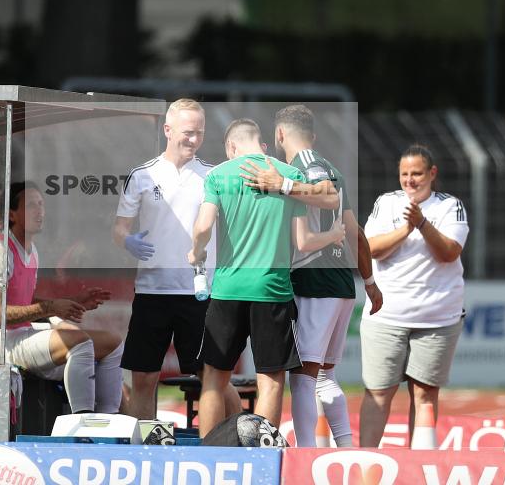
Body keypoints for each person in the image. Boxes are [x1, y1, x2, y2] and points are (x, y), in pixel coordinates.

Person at [188, 119, 346, 437]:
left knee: (214, 379)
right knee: (270, 380)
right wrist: (332, 234)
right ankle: (262, 457)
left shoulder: (219, 174)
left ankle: (206, 454)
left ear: (231, 147)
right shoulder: (288, 174)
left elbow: (203, 227)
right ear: (260, 143)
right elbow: (302, 241)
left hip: (228, 290)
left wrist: (197, 252)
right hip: (272, 290)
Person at [243, 104, 383, 447]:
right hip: (339, 283)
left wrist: (284, 185)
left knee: (304, 377)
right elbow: (355, 231)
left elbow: (327, 197)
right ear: (314, 134)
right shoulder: (330, 166)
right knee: (325, 375)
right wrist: (368, 281)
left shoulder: (305, 166)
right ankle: (345, 448)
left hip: (314, 282)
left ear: (279, 134)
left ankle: (306, 454)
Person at [113, 98, 240, 420]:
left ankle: (243, 440)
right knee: (143, 378)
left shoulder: (214, 175)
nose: (193, 139)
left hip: (200, 293)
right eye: (187, 132)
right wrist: (127, 241)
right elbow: (119, 229)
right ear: (168, 130)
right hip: (152, 292)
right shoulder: (141, 175)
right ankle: (145, 448)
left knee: (213, 378)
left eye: (199, 133)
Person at [0, 181, 124, 414]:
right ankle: (83, 422)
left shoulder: (31, 250)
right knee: (79, 341)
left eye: (41, 204)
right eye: (31, 206)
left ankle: (109, 421)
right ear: (12, 214)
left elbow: (23, 300)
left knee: (113, 343)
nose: (40, 211)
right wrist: (52, 307)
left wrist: (72, 300)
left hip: (19, 334)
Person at [359, 144, 469, 447]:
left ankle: (422, 469)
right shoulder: (386, 203)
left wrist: (422, 223)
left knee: (425, 394)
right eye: (404, 174)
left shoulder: (449, 207)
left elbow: (449, 252)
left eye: (417, 173)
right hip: (387, 316)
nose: (410, 180)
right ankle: (365, 464)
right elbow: (371, 249)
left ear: (432, 174)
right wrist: (406, 229)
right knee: (378, 392)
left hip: (437, 317)